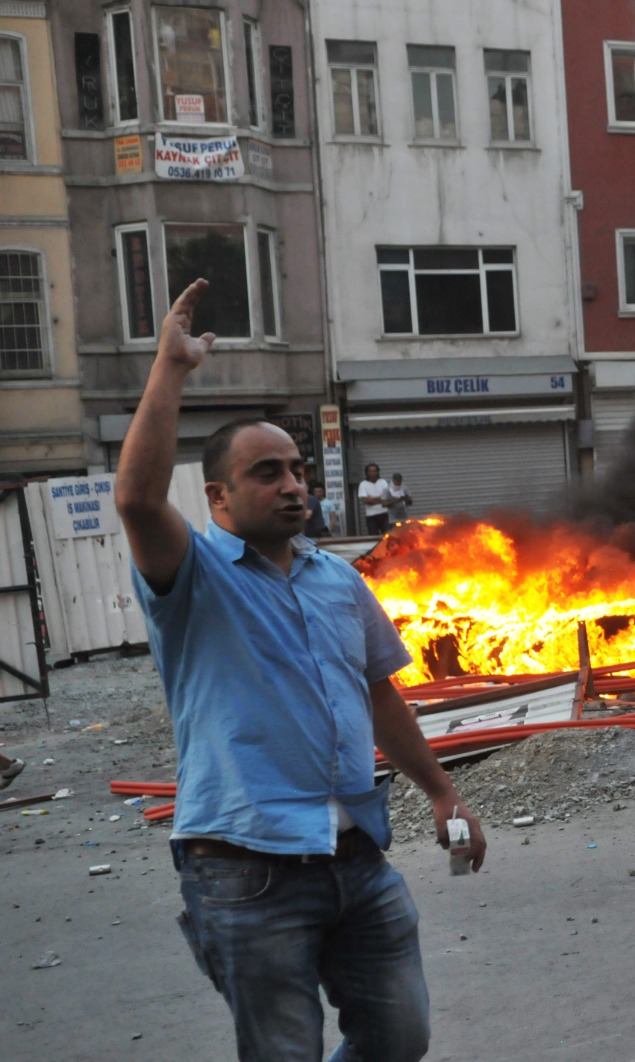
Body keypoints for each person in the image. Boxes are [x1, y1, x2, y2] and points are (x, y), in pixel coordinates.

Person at [115, 278, 488, 1060]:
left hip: (357, 859)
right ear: (218, 498)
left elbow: (379, 694)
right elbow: (139, 501)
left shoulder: (337, 580)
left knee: (399, 1036)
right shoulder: (194, 578)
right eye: (266, 473)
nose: (292, 485)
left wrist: (442, 790)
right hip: (246, 870)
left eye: (296, 469)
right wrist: (171, 369)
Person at [358, 463, 392, 536]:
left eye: (374, 471)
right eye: (370, 471)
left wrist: (371, 498)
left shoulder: (383, 482)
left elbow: (387, 498)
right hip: (371, 516)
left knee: (387, 536)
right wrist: (380, 499)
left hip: (384, 514)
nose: (372, 473)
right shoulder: (363, 484)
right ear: (367, 473)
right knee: (373, 537)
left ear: (378, 472)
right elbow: (365, 501)